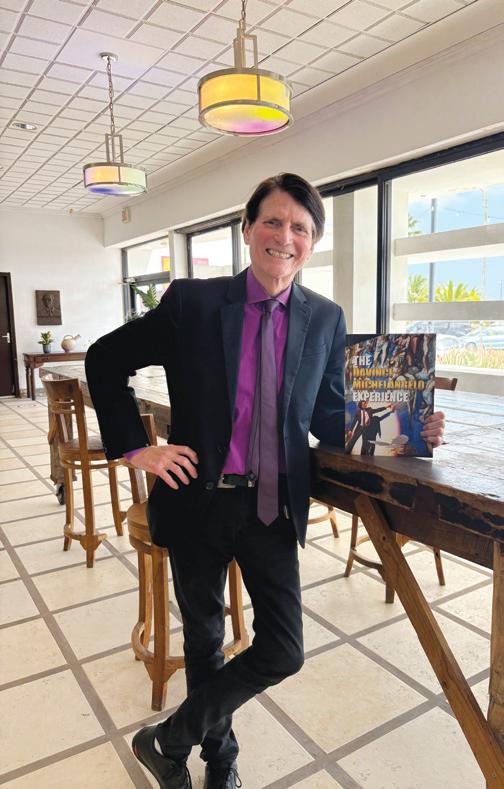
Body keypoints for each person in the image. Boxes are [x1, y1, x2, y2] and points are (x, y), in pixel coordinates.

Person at [85, 173, 445, 789]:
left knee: (283, 649)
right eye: (273, 222)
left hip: (272, 507)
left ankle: (166, 739)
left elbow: (328, 418)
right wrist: (136, 449)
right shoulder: (193, 304)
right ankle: (219, 763)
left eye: (300, 227)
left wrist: (410, 430)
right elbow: (105, 357)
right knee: (204, 640)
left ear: (313, 242)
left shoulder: (324, 317)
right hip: (197, 499)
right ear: (249, 229)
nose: (285, 236)